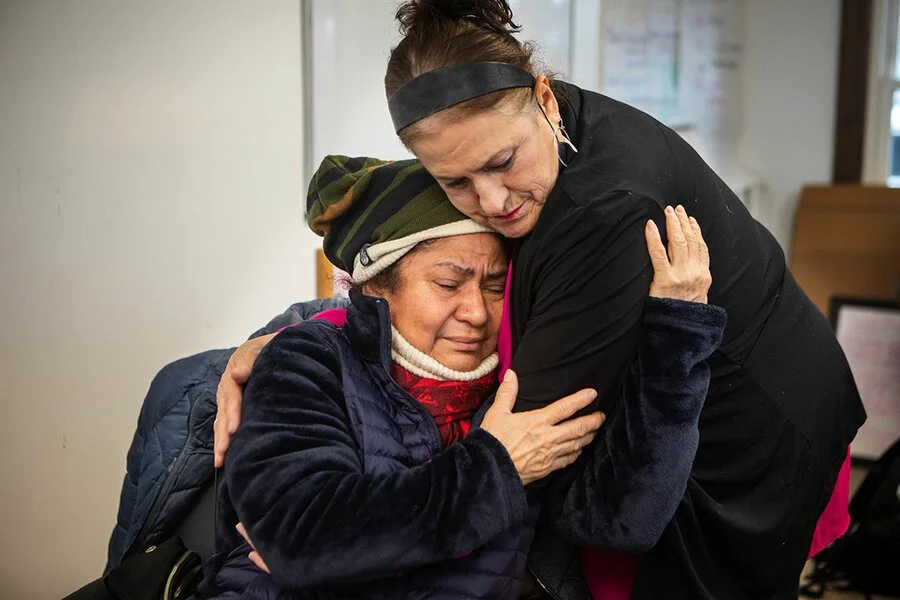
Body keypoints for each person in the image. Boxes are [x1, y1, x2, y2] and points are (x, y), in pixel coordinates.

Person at [217, 2, 866, 598]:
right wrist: (283, 338)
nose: (494, 201)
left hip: (755, 422)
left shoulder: (603, 212)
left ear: (546, 101)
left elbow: (598, 505)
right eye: (457, 182)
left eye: (503, 161)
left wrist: (338, 546)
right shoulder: (324, 359)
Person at [199, 156, 725, 599]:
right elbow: (302, 536)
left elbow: (625, 519)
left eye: (495, 285)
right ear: (379, 287)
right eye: (449, 283)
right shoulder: (309, 362)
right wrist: (500, 467)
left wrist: (675, 337)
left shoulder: (524, 385)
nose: (476, 311)